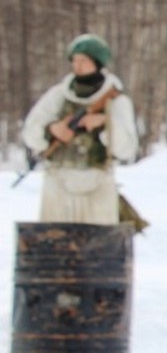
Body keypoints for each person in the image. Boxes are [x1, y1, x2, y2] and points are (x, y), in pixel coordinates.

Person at [21, 33, 140, 224]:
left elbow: (126, 149)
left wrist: (104, 125)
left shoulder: (116, 101)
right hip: (58, 183)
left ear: (98, 63)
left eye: (84, 61)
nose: (78, 66)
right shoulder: (58, 96)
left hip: (98, 184)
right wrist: (51, 130)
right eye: (74, 61)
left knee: (98, 250)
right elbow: (30, 133)